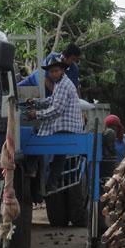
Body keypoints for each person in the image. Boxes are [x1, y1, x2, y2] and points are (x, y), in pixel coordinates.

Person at [26, 53, 83, 191]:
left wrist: (36, 114)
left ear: (62, 70)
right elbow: (52, 100)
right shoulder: (60, 83)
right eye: (51, 72)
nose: (54, 74)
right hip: (66, 124)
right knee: (60, 155)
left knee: (35, 136)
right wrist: (36, 103)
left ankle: (32, 169)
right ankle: (51, 183)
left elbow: (57, 110)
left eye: (56, 71)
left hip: (66, 124)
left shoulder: (64, 85)